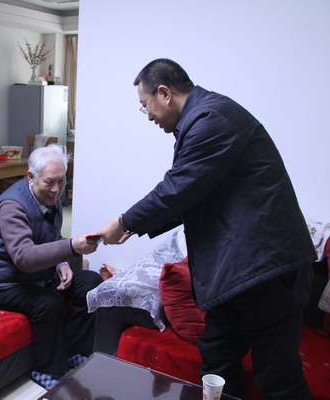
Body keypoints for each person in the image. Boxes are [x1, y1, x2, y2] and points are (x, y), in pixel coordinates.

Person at [100, 59, 316, 399]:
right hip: (237, 273)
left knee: (278, 380)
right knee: (216, 364)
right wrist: (133, 228)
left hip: (266, 271)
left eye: (145, 105)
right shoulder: (203, 118)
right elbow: (193, 194)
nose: (149, 116)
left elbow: (178, 189)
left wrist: (125, 221)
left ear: (164, 93)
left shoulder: (213, 119)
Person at [0, 144, 103, 390]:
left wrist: (61, 262)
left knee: (90, 282)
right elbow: (24, 257)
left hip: (34, 276)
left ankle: (75, 353)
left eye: (61, 181)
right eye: (49, 182)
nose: (56, 189)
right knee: (48, 302)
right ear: (31, 177)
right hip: (2, 284)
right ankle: (48, 370)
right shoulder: (12, 206)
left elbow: (49, 237)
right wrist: (71, 247)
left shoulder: (49, 196)